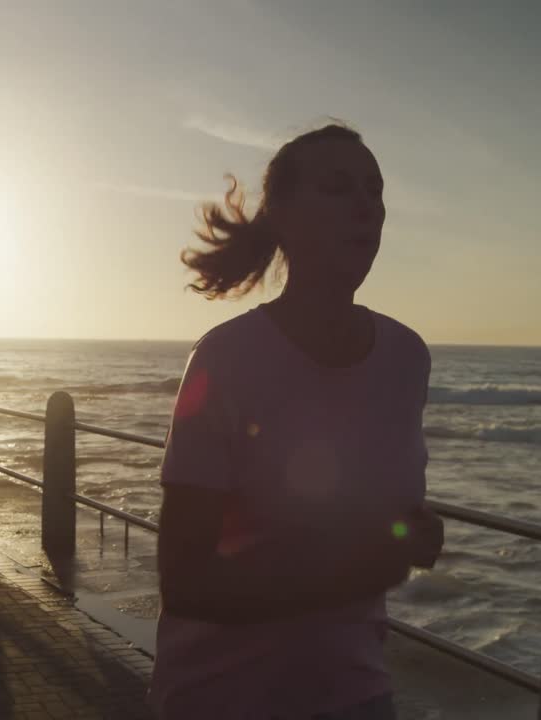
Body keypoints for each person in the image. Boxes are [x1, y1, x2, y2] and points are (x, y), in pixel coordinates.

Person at [149, 122, 443, 720]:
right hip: (221, 699)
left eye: (375, 189)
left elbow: (377, 513)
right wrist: (359, 567)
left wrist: (408, 533)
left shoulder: (407, 357)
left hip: (358, 692)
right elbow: (185, 579)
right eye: (338, 187)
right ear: (281, 215)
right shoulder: (226, 358)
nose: (365, 204)